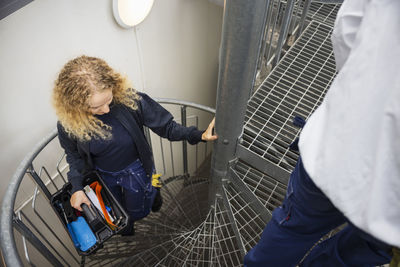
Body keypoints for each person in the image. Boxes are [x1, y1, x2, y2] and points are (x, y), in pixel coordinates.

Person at [244, 0, 400, 266]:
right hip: (391, 207)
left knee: (291, 229)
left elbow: (346, 27)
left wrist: (356, 89)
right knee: (347, 256)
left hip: (336, 149)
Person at [52, 55, 217, 235]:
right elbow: (74, 157)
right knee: (116, 212)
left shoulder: (129, 100)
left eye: (108, 100)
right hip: (103, 175)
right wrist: (76, 188)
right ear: (76, 105)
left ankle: (154, 195)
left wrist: (198, 134)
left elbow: (167, 127)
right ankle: (128, 228)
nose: (106, 110)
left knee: (139, 208)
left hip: (136, 169)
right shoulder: (69, 125)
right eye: (96, 107)